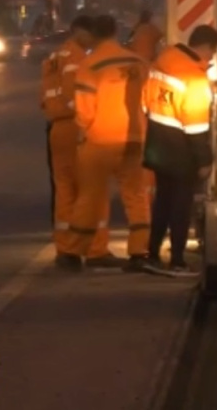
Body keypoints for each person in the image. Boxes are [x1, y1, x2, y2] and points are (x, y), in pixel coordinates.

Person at [63, 16, 152, 272]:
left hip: (100, 140)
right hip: (134, 138)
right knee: (136, 195)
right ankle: (139, 252)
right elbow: (148, 99)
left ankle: (73, 251)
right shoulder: (137, 62)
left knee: (90, 196)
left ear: (92, 34)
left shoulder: (90, 65)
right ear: (115, 32)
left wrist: (86, 129)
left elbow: (85, 110)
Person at [141, 24, 217, 277]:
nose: (211, 59)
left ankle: (152, 254)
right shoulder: (194, 77)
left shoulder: (163, 59)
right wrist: (205, 160)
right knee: (180, 205)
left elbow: (145, 100)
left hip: (157, 141)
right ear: (207, 47)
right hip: (181, 149)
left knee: (163, 201)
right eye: (212, 53)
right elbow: (196, 125)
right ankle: (177, 261)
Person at [42, 15, 120, 270]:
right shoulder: (78, 58)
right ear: (80, 32)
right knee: (92, 189)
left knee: (65, 190)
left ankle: (66, 250)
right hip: (77, 127)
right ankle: (95, 249)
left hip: (58, 128)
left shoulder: (57, 56)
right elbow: (75, 96)